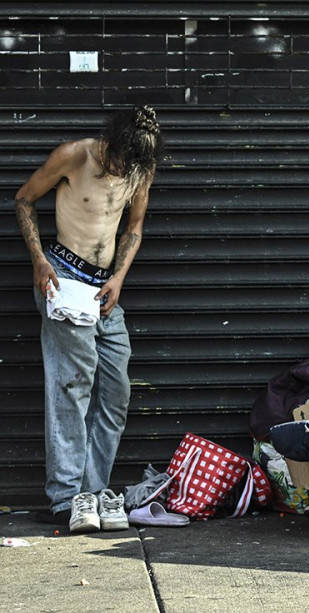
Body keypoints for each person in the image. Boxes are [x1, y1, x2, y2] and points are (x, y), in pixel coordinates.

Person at [14, 105, 163, 533]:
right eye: (121, 161)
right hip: (63, 279)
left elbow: (134, 226)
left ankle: (92, 494)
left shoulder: (139, 167)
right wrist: (39, 261)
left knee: (115, 392)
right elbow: (24, 198)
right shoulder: (75, 155)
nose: (125, 171)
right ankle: (64, 498)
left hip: (103, 291)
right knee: (70, 388)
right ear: (111, 142)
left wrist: (118, 277)